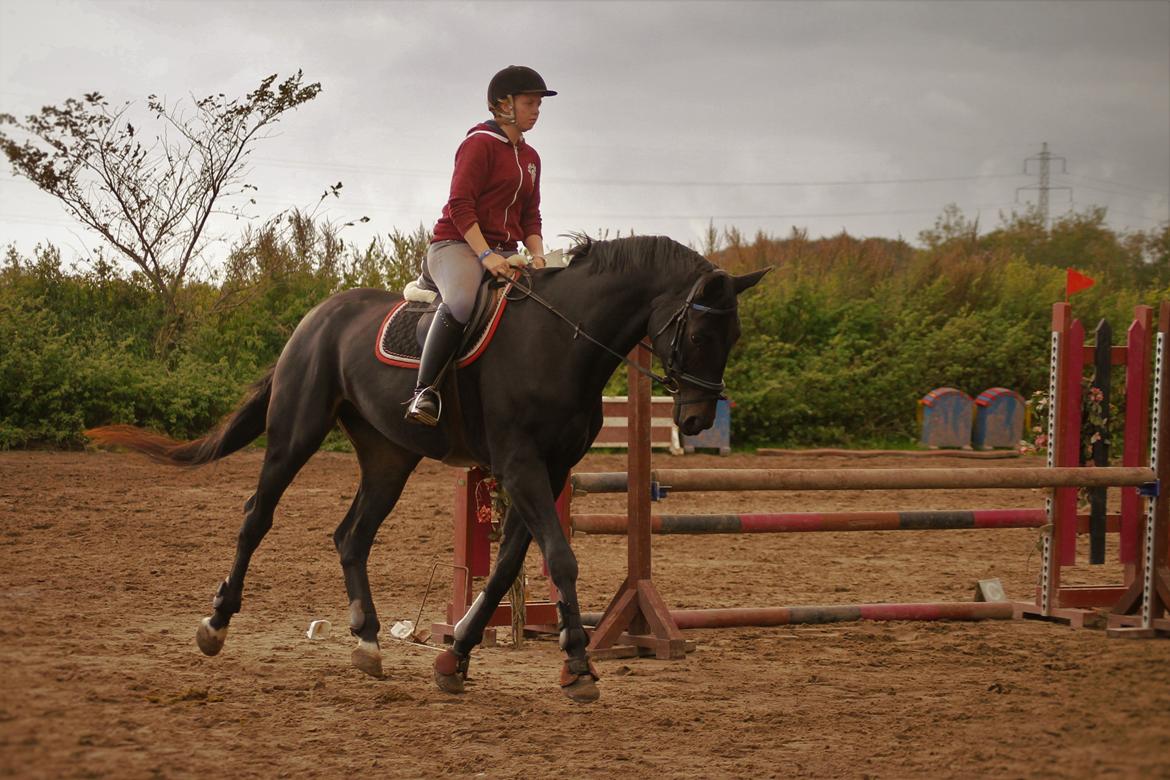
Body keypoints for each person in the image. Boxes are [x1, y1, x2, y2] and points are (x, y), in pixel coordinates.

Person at [405, 65, 557, 426]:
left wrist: (538, 255)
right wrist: (485, 254)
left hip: (505, 250)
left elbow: (531, 216)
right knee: (461, 301)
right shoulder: (478, 144)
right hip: (456, 244)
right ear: (504, 105)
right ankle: (425, 392)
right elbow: (460, 205)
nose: (536, 110)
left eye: (539, 104)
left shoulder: (531, 158)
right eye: (529, 103)